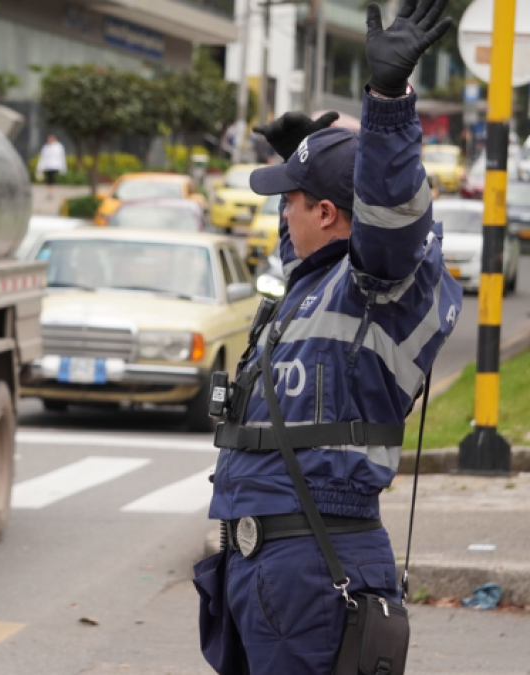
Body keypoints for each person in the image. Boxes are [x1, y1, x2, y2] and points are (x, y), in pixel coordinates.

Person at [194, 0, 462, 672]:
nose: (281, 213)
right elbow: (309, 237)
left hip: (315, 567)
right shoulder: (314, 286)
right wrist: (302, 156)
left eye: (291, 197)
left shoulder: (378, 282)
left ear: (325, 210)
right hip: (267, 568)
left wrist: (389, 104)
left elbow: (393, 217)